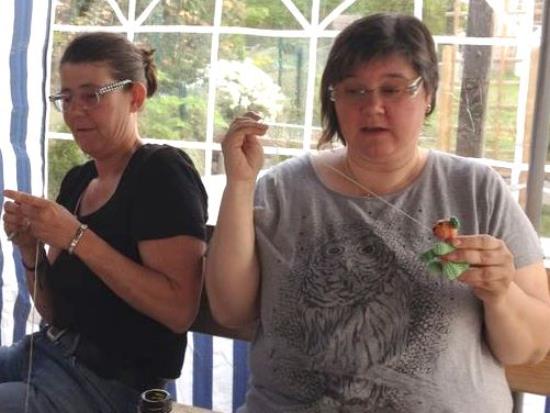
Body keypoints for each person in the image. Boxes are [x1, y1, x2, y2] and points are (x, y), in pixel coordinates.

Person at [204, 13, 550, 413]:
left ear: (428, 94)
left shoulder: (476, 189)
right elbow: (230, 310)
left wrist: (501, 293)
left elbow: (529, 348)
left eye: (393, 88)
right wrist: (240, 184)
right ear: (334, 100)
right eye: (354, 90)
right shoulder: (282, 190)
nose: (373, 107)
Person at [1, 32, 208, 413]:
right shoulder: (79, 180)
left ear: (135, 97)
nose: (75, 111)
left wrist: (76, 236)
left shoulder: (161, 172)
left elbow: (178, 311)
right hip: (46, 353)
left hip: (110, 387)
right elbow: (52, 311)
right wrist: (29, 249)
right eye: (66, 97)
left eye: (92, 95)